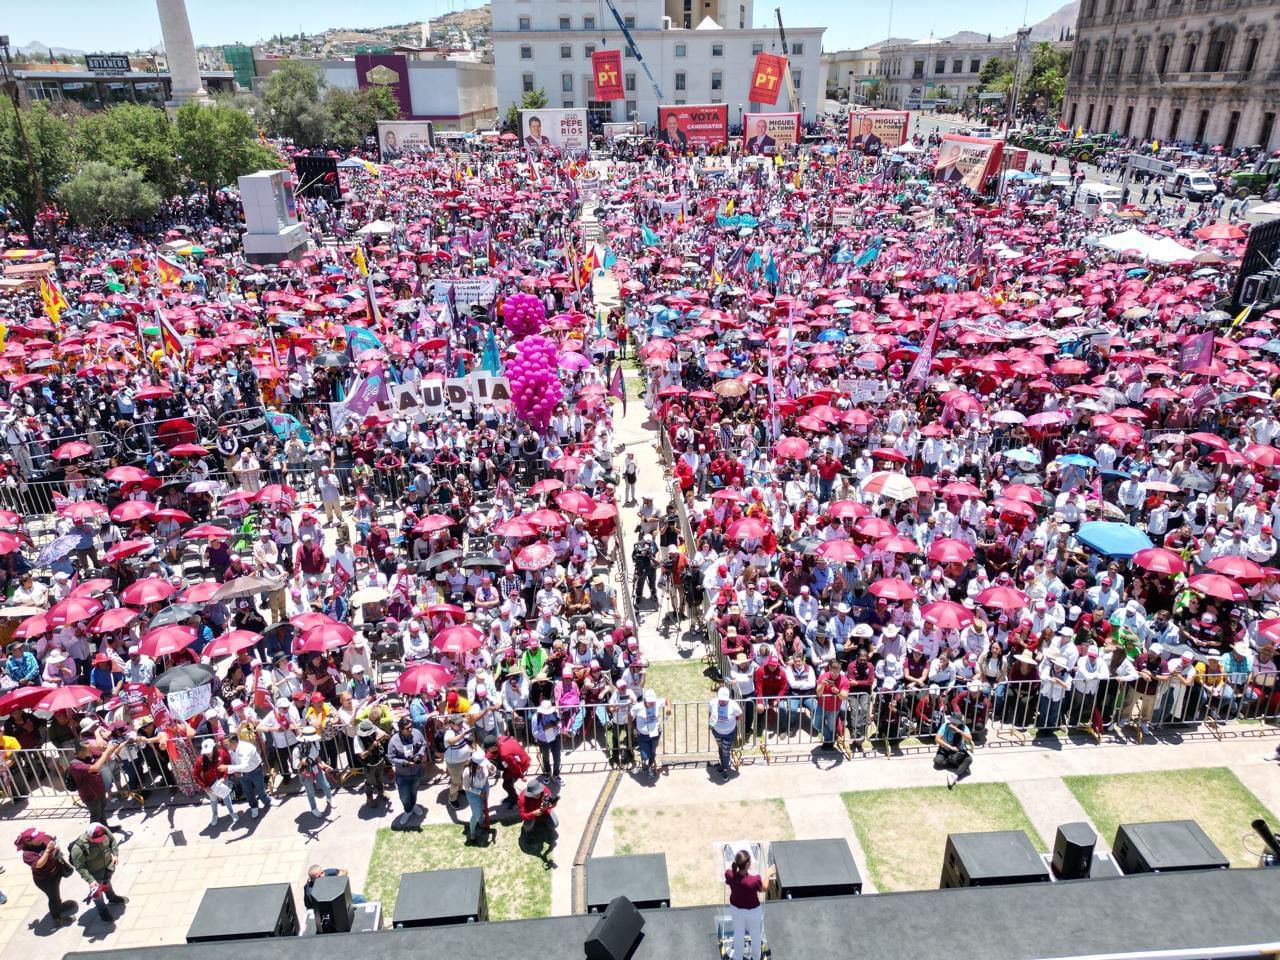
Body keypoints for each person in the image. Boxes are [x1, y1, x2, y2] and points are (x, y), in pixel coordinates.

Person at [68, 823, 128, 923]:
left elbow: (112, 840)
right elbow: (80, 867)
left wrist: (115, 854)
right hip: (94, 874)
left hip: (108, 867)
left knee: (107, 883)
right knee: (97, 894)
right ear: (89, 836)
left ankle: (112, 898)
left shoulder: (102, 830)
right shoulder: (78, 849)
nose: (100, 842)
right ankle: (102, 911)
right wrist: (90, 880)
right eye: (96, 840)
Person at [16, 827, 74, 925]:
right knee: (53, 897)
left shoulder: (45, 838)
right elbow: (38, 864)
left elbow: (53, 841)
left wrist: (56, 849)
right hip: (45, 879)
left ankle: (59, 906)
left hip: (55, 871)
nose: (40, 838)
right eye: (37, 838)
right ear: (29, 842)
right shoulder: (27, 854)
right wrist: (47, 851)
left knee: (56, 893)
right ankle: (57, 917)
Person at [725, 848, 773, 960]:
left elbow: (729, 873)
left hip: (736, 910)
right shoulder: (754, 880)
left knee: (738, 934)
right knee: (755, 935)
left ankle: (738, 957)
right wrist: (768, 875)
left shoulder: (729, 875)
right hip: (753, 912)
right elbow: (765, 888)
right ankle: (756, 958)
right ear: (747, 865)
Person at [68, 738, 123, 828]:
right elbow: (95, 767)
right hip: (90, 795)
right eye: (89, 750)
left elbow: (102, 758)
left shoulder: (87, 756)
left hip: (99, 791)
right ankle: (93, 836)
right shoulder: (75, 764)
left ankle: (105, 829)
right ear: (81, 752)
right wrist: (106, 753)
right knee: (95, 817)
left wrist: (111, 749)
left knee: (102, 813)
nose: (91, 751)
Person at [387, 715, 427, 823]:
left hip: (416, 772)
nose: (410, 729)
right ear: (400, 729)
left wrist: (419, 754)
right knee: (404, 796)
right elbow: (390, 758)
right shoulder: (394, 741)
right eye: (407, 728)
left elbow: (424, 743)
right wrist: (404, 763)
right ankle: (408, 810)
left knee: (414, 792)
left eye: (411, 726)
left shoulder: (417, 733)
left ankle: (413, 806)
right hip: (402, 775)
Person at [484, 731, 531, 807]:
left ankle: (515, 800)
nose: (488, 751)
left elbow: (514, 766)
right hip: (514, 760)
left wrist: (521, 776)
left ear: (493, 747)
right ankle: (511, 795)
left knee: (506, 785)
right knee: (506, 779)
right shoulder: (500, 738)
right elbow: (490, 754)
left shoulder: (505, 754)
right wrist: (485, 759)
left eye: (488, 749)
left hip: (521, 764)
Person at [517, 778, 558, 865]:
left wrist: (552, 805)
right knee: (528, 826)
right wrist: (533, 813)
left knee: (555, 823)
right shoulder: (522, 799)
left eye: (539, 791)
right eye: (536, 794)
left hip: (544, 812)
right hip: (531, 815)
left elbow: (550, 805)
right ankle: (528, 832)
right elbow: (522, 815)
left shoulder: (545, 790)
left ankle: (542, 824)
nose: (539, 794)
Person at [707, 686, 742, 778]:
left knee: (725, 751)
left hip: (729, 733)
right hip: (717, 732)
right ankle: (723, 764)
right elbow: (710, 714)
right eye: (721, 699)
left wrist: (731, 722)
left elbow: (740, 715)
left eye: (724, 700)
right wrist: (710, 724)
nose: (722, 701)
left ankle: (725, 769)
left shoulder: (734, 705)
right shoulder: (712, 703)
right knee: (721, 748)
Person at [934, 710, 974, 788]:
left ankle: (955, 775)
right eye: (952, 722)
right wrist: (950, 747)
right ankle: (961, 766)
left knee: (969, 759)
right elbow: (937, 739)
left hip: (958, 751)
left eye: (955, 723)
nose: (953, 724)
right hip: (946, 749)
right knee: (937, 761)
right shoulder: (945, 725)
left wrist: (958, 731)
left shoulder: (964, 728)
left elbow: (969, 739)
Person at [354, 718, 388, 806]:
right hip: (368, 764)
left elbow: (387, 736)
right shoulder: (357, 738)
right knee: (370, 782)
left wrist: (382, 735)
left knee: (380, 778)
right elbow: (362, 755)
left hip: (379, 759)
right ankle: (369, 799)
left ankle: (381, 792)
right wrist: (372, 746)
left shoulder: (373, 728)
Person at [462, 747, 493, 843]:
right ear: (475, 764)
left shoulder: (484, 761)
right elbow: (467, 787)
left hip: (484, 787)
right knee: (476, 813)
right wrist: (479, 793)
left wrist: (493, 769)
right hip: (472, 793)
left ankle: (481, 822)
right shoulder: (467, 772)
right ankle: (472, 832)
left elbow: (492, 770)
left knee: (483, 807)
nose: (483, 765)